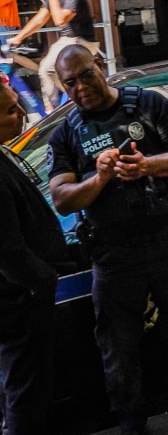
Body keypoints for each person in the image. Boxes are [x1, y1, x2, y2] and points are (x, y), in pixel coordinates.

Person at [46, 46, 168, 435]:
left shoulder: (149, 105)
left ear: (101, 66)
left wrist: (146, 165)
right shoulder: (65, 134)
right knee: (118, 346)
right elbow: (62, 197)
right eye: (70, 83)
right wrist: (99, 178)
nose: (80, 88)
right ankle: (131, 420)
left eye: (85, 75)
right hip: (114, 253)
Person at [0, 78, 67, 435]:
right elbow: (8, 251)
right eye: (11, 109)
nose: (23, 112)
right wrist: (43, 282)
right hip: (18, 305)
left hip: (19, 299)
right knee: (27, 392)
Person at [2, 0, 99, 112]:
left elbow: (60, 20)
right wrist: (18, 38)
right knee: (47, 69)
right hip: (67, 40)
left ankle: (62, 105)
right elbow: (39, 20)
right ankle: (62, 104)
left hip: (82, 42)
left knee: (47, 68)